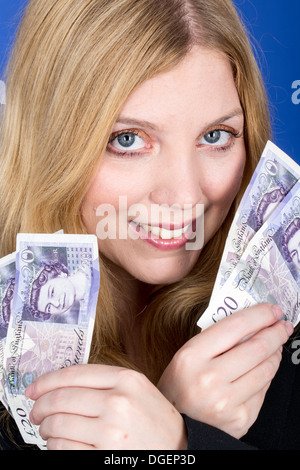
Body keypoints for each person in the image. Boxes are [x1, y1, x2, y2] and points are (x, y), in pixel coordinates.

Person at [0, 0, 298, 450]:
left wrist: (185, 439)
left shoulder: (282, 326)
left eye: (215, 136)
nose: (185, 196)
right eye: (128, 140)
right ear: (53, 143)